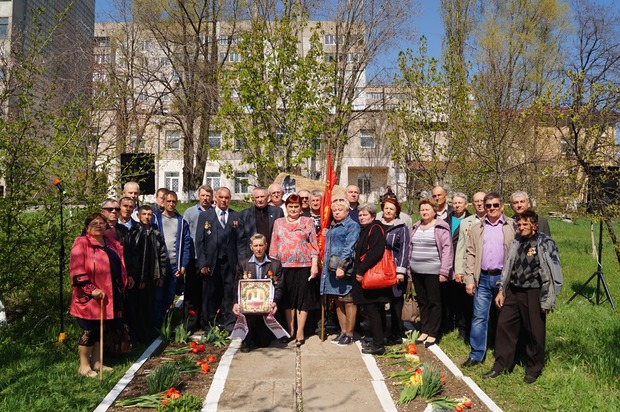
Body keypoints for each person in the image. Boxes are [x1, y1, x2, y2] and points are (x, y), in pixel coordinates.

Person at [483, 210, 563, 383]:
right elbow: (508, 267)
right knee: (504, 326)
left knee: (534, 331)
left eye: (525, 224)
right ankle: (501, 365)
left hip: (534, 292)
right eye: (519, 224)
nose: (521, 227)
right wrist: (502, 290)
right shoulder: (516, 242)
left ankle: (533, 368)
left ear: (534, 225)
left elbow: (555, 270)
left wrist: (549, 299)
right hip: (513, 290)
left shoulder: (545, 243)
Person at [69, 213, 127, 377]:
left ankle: (97, 362)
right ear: (87, 227)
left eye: (102, 223)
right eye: (94, 223)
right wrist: (91, 289)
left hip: (108, 296)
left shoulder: (112, 244)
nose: (98, 226)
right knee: (89, 330)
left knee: (101, 329)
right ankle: (84, 365)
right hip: (89, 298)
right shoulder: (81, 243)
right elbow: (76, 269)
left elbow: (120, 265)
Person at [462, 193, 516, 367]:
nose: (492, 209)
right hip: (483, 278)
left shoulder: (512, 226)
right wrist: (469, 279)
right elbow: (470, 253)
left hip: (503, 278)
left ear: (502, 206)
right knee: (479, 317)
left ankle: (504, 354)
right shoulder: (477, 228)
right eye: (488, 206)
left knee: (504, 318)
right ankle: (476, 354)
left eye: (495, 205)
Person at [269, 194, 320, 347]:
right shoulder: (279, 223)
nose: (293, 209)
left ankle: (300, 332)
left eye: (296, 206)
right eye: (290, 207)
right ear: (286, 207)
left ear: (300, 208)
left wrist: (314, 265)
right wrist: (272, 268)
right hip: (284, 267)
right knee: (288, 300)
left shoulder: (307, 222)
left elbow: (314, 245)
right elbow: (273, 245)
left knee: (302, 299)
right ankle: (290, 331)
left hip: (304, 266)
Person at [196, 187, 243, 331]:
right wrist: (202, 263)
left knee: (229, 293)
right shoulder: (205, 216)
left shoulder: (236, 216)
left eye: (226, 198)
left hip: (230, 263)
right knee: (210, 294)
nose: (223, 200)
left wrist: (240, 264)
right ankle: (209, 324)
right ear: (215, 198)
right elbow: (199, 241)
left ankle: (229, 324)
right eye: (221, 197)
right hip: (211, 263)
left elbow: (240, 242)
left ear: (230, 199)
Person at [409, 198, 453, 348]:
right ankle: (424, 329)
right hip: (416, 270)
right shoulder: (416, 226)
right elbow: (410, 248)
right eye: (422, 209)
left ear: (434, 211)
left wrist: (444, 271)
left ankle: (433, 333)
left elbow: (447, 250)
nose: (424, 212)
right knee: (422, 301)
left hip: (433, 271)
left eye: (427, 209)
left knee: (434, 302)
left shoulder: (441, 227)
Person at [232, 234, 284, 352]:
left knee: (263, 343)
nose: (258, 249)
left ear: (266, 246)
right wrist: (235, 302)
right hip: (248, 310)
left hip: (266, 309)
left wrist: (275, 302)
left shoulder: (275, 264)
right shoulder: (243, 264)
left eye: (261, 245)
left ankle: (260, 333)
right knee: (247, 344)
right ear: (251, 247)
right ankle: (246, 339)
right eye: (256, 246)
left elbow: (279, 287)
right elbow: (236, 286)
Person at [125, 205, 167, 343]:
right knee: (137, 307)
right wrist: (135, 276)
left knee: (149, 306)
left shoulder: (156, 233)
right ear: (138, 216)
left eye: (149, 214)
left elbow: (162, 255)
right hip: (137, 277)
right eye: (144, 214)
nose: (147, 217)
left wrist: (161, 274)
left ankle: (148, 334)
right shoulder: (134, 233)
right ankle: (136, 336)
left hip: (151, 275)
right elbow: (131, 256)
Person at [320, 198, 359, 347]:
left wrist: (342, 267)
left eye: (340, 210)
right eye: (334, 210)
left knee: (348, 302)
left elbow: (349, 247)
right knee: (337, 302)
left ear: (347, 211)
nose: (336, 213)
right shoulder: (332, 226)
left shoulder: (352, 226)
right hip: (331, 269)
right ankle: (342, 331)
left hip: (344, 269)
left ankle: (349, 334)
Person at [352, 204, 391, 355]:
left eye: (365, 215)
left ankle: (378, 344)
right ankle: (377, 340)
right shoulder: (366, 229)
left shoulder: (375, 229)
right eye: (360, 215)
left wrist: (361, 270)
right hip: (368, 275)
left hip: (370, 276)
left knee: (372, 310)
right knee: (373, 310)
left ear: (373, 216)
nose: (361, 217)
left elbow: (375, 252)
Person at [152, 191, 191, 328]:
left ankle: (166, 324)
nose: (171, 204)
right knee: (158, 297)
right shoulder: (155, 220)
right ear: (163, 202)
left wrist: (183, 265)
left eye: (174, 201)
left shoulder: (181, 222)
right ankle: (156, 326)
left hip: (175, 265)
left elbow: (186, 245)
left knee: (169, 296)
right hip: (160, 266)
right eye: (168, 201)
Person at [453, 191, 486, 340]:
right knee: (466, 301)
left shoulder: (492, 220)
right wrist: (459, 270)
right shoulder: (466, 222)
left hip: (485, 268)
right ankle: (464, 330)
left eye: (482, 201)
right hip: (469, 268)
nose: (479, 204)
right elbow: (460, 247)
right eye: (476, 201)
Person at [183, 184, 214, 330]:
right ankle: (190, 322)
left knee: (207, 292)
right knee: (191, 291)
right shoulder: (190, 212)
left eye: (208, 195)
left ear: (212, 197)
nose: (205, 198)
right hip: (193, 258)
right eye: (203, 195)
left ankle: (204, 321)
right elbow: (184, 234)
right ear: (198, 196)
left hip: (209, 259)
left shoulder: (214, 213)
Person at [380, 197, 411, 342]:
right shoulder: (376, 225)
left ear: (396, 212)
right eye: (386, 208)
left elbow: (404, 250)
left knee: (396, 301)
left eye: (391, 209)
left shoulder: (401, 227)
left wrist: (400, 271)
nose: (388, 211)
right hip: (379, 269)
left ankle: (396, 332)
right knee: (379, 301)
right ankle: (380, 330)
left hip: (394, 268)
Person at [442, 193, 471, 335]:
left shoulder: (471, 220)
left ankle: (463, 326)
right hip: (448, 262)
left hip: (463, 263)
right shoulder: (445, 221)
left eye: (460, 203)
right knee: (448, 296)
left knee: (462, 297)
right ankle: (449, 324)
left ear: (466, 204)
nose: (457, 205)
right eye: (454, 203)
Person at [239, 187, 284, 259]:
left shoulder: (278, 212)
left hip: (272, 255)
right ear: (253, 198)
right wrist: (242, 259)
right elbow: (241, 239)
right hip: (252, 256)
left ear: (268, 197)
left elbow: (281, 236)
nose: (260, 200)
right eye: (257, 197)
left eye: (262, 197)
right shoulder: (244, 214)